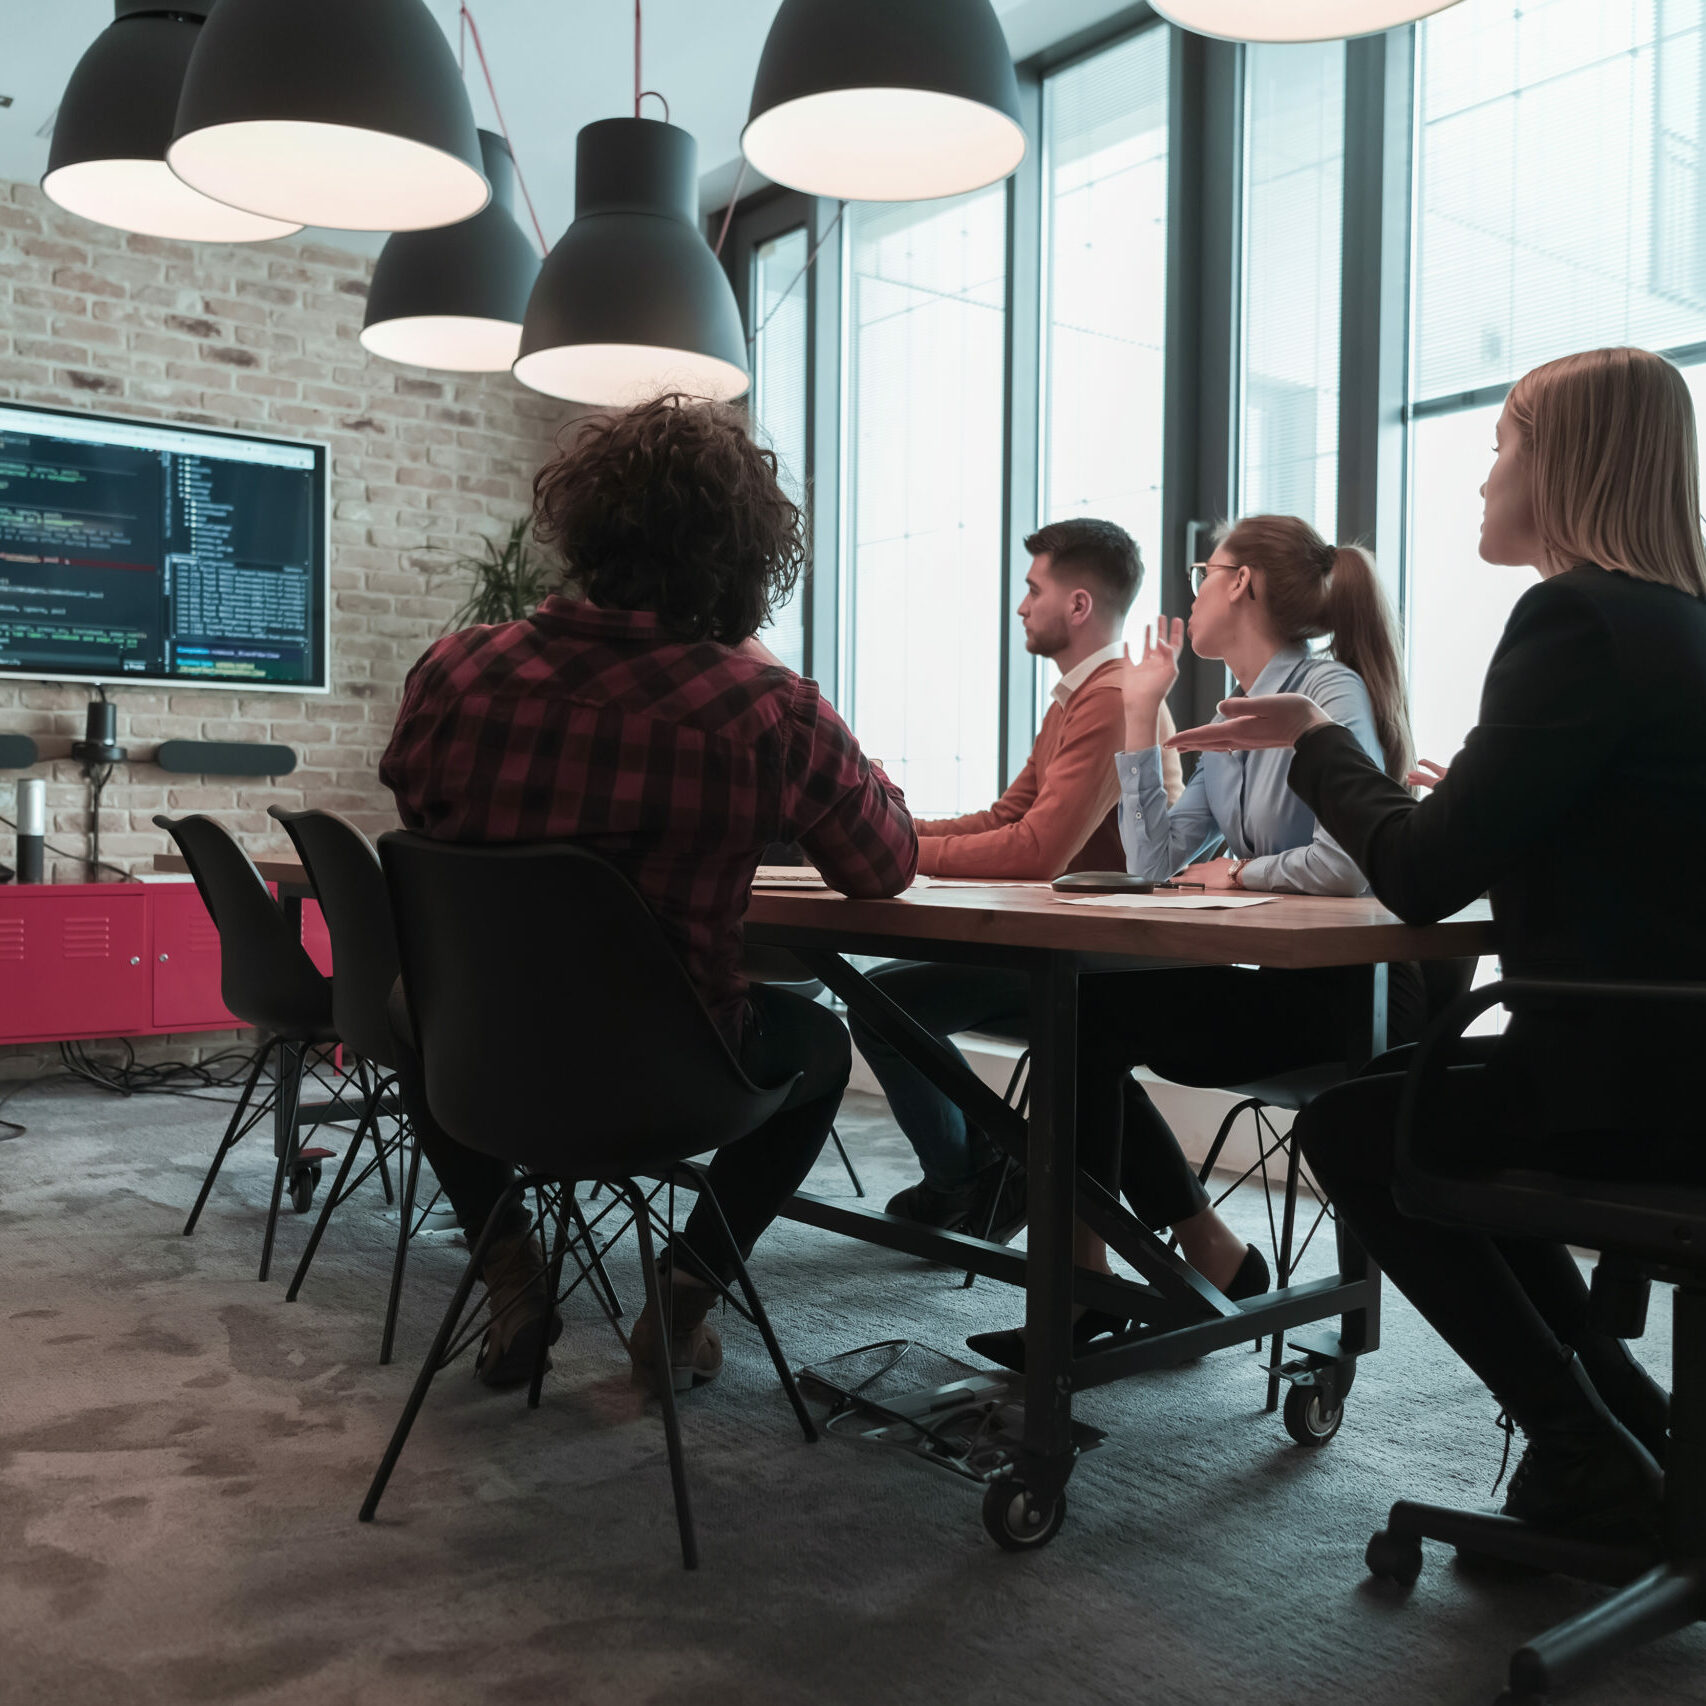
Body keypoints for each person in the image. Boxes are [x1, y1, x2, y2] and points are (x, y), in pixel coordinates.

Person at [1164, 345, 1706, 1544]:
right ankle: (1624, 1418)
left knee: (1360, 1123)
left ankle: (1582, 1443)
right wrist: (1478, 798)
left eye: (1501, 444)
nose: (1482, 477)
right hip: (1673, 1065)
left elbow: (1411, 876)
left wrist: (1312, 738)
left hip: (1623, 1082)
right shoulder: (1676, 627)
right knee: (1416, 1104)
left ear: (1562, 463)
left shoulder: (1571, 618)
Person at [380, 394, 917, 1394]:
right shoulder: (767, 710)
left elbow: (421, 809)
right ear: (746, 557)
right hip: (673, 1078)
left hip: (485, 1061)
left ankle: (509, 1271)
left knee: (415, 1007)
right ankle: (683, 1289)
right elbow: (883, 865)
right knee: (819, 1045)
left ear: (581, 525)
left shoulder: (451, 674)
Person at [967, 512, 1421, 1369]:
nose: (1192, 591)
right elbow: (1157, 862)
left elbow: (1348, 864)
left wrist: (1241, 874)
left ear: (1240, 584)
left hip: (1350, 1000)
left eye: (1202, 573)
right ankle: (1106, 1279)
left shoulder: (1329, 696)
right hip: (1282, 985)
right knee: (1082, 1013)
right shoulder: (1234, 721)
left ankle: (1092, 1291)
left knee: (1088, 1020)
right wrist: (1142, 716)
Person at [848, 519, 1182, 1234]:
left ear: (1080, 605)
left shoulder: (1110, 695)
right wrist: (893, 827)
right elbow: (1009, 814)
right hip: (1067, 942)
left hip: (1108, 959)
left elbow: (1034, 852)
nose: (1022, 605)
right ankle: (982, 1176)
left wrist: (899, 854)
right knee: (883, 1001)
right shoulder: (1075, 696)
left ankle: (967, 1180)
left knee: (882, 1005)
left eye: (1034, 589)